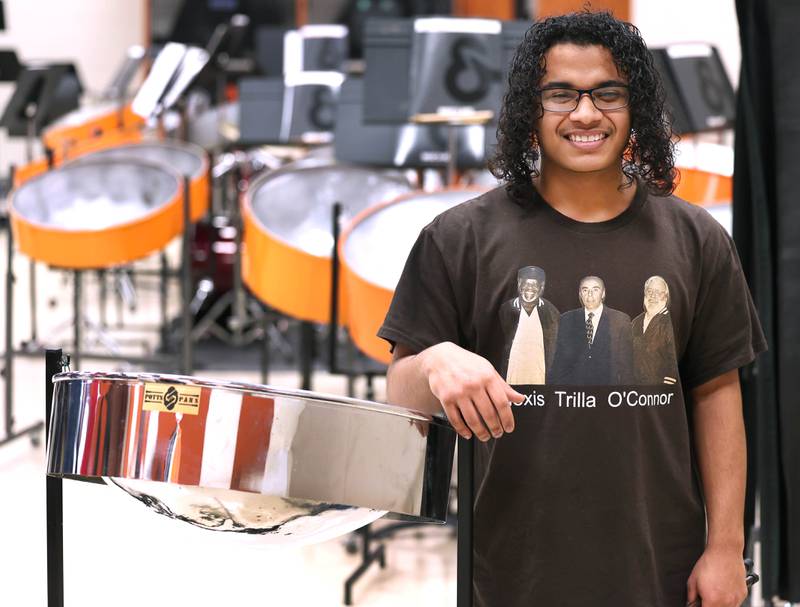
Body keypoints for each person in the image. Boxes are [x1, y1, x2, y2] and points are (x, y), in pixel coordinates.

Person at [378, 10, 766, 607]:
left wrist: (725, 548)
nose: (586, 114)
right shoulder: (459, 238)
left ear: (635, 106)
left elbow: (717, 395)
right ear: (528, 110)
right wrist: (434, 362)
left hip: (662, 569)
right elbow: (400, 395)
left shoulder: (697, 238)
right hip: (510, 573)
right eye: (561, 94)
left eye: (607, 94)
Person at [547, 275, 633, 384]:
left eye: (595, 290)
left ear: (603, 293)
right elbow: (559, 362)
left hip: (608, 392)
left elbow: (626, 367)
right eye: (585, 290)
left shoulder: (620, 320)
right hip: (576, 393)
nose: (590, 294)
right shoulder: (567, 319)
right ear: (580, 294)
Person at [498, 265, 560, 384]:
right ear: (519, 285)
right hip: (510, 378)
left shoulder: (551, 312)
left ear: (541, 288)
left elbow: (554, 349)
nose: (529, 288)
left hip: (540, 379)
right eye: (525, 284)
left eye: (534, 285)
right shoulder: (505, 310)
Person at [632, 275, 679, 384]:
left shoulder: (670, 323)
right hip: (635, 390)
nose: (653, 296)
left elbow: (674, 361)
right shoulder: (635, 322)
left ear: (665, 298)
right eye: (650, 291)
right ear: (644, 294)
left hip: (658, 391)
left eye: (658, 292)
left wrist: (666, 389)